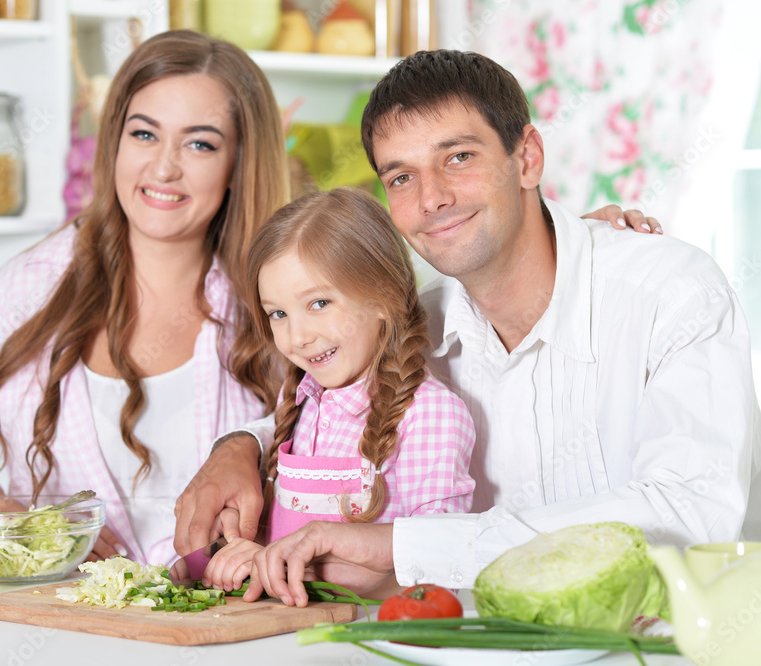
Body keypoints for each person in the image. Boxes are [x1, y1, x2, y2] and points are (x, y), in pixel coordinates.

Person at [175, 48, 761, 607]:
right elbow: (337, 408)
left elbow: (690, 513)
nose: (432, 197)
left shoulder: (670, 292)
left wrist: (401, 547)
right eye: (401, 177)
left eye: (458, 157)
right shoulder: (413, 321)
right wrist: (241, 448)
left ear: (527, 157)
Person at [0, 30, 288, 566]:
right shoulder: (26, 288)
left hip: (223, 626)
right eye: (144, 134)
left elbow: (340, 432)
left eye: (200, 143)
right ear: (114, 141)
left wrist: (247, 444)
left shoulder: (276, 297)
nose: (164, 167)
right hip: (55, 623)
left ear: (238, 165)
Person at [201, 188, 475, 592]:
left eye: (319, 303)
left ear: (384, 297)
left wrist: (287, 565)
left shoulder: (428, 415)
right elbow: (279, 541)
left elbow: (440, 559)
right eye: (278, 313)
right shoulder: (300, 401)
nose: (297, 337)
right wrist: (235, 549)